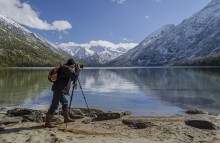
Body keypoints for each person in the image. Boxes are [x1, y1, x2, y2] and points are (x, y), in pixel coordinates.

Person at [45, 58, 80, 127]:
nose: (74, 67)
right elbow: (75, 76)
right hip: (59, 89)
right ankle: (47, 123)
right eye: (73, 65)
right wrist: (77, 69)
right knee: (54, 105)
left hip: (58, 89)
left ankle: (66, 119)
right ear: (72, 64)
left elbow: (71, 78)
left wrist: (75, 72)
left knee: (64, 103)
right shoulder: (66, 69)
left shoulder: (64, 68)